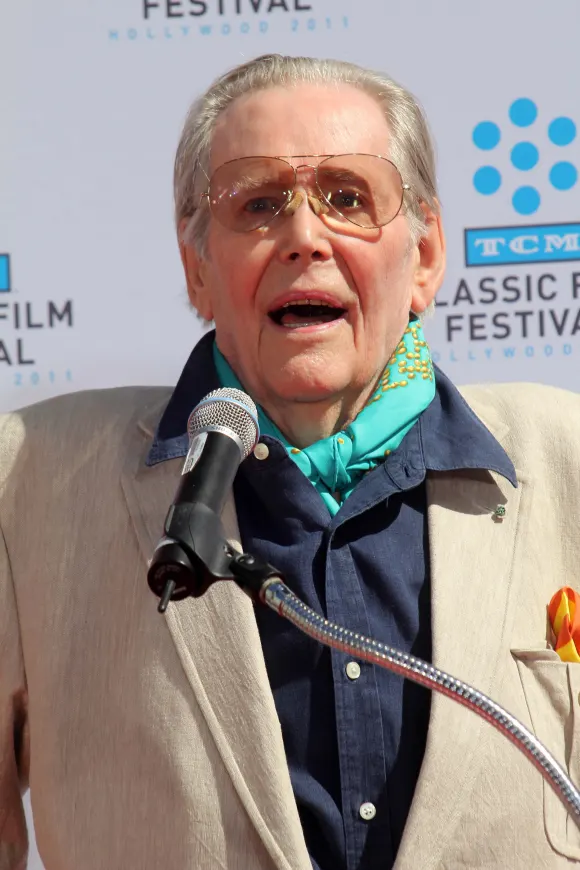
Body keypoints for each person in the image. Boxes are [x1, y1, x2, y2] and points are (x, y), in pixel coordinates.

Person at [1, 53, 580, 870]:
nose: (305, 235)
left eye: (348, 197)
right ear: (198, 267)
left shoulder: (568, 462)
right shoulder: (27, 484)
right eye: (259, 203)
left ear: (424, 256)